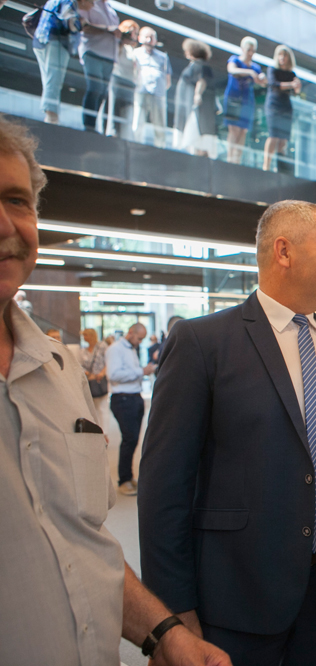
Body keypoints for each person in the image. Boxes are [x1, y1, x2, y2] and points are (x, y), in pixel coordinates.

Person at [0, 113, 231, 666]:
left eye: (16, 200)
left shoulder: (60, 371)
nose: (5, 223)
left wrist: (163, 633)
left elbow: (81, 540)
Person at [139, 200, 316, 665]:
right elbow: (164, 489)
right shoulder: (203, 343)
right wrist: (171, 612)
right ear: (284, 251)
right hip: (236, 595)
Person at [105, 322, 155, 495]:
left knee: (133, 440)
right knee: (129, 439)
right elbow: (113, 375)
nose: (140, 342)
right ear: (131, 332)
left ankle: (128, 476)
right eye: (139, 338)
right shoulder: (115, 349)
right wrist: (141, 371)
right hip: (123, 399)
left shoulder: (132, 349)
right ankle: (124, 480)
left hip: (134, 397)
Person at [31, 0, 83, 125]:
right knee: (54, 81)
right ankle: (52, 117)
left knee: (48, 80)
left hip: (40, 40)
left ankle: (49, 115)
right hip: (57, 41)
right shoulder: (69, 2)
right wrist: (81, 23)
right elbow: (70, 23)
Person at [77, 0, 119, 133]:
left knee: (102, 93)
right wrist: (108, 30)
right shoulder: (89, 3)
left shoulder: (111, 10)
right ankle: (89, 126)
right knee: (95, 88)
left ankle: (94, 125)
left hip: (109, 57)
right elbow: (84, 26)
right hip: (93, 52)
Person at [223, 36, 265, 165]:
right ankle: (230, 158)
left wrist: (262, 77)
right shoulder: (234, 60)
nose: (251, 53)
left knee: (243, 131)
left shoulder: (256, 67)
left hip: (247, 101)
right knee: (234, 129)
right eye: (248, 50)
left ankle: (237, 160)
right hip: (233, 98)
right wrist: (249, 73)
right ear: (242, 48)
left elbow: (262, 82)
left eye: (253, 50)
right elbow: (231, 70)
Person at [174, 39, 216, 157]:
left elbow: (201, 80)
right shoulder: (194, 65)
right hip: (188, 105)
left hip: (195, 108)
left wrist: (197, 94)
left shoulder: (200, 65)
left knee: (196, 133)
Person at [131, 26, 171, 148]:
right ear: (140, 38)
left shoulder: (163, 57)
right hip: (141, 91)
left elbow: (167, 78)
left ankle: (160, 147)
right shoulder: (135, 53)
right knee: (138, 119)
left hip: (158, 94)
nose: (149, 40)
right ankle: (135, 145)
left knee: (159, 124)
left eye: (152, 37)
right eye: (146, 37)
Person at [263, 44, 301, 172]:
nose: (282, 58)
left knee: (283, 139)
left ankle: (280, 168)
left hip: (286, 107)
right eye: (280, 55)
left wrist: (297, 87)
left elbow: (295, 92)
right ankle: (266, 166)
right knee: (273, 136)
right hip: (274, 105)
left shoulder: (292, 74)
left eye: (284, 55)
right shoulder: (272, 70)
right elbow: (274, 84)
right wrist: (291, 85)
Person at [107, 19, 139, 139]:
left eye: (135, 33)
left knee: (127, 111)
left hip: (130, 83)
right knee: (114, 108)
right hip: (117, 78)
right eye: (130, 32)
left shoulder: (134, 51)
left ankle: (125, 136)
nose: (132, 35)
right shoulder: (117, 44)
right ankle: (112, 131)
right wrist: (121, 39)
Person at [79, 327, 109, 426]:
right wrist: (88, 374)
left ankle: (104, 430)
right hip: (90, 380)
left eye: (86, 335)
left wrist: (102, 373)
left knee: (102, 407)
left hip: (100, 379)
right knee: (92, 408)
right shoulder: (83, 350)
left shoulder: (102, 346)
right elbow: (81, 365)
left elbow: (108, 361)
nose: (84, 337)